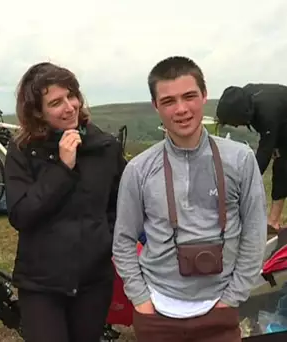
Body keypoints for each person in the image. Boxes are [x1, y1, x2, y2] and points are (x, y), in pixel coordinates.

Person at [112, 56, 267, 342]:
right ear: (156, 106)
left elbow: (255, 233)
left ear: (205, 97)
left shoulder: (240, 159)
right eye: (169, 101)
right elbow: (122, 240)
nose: (181, 109)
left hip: (220, 311)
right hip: (157, 315)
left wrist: (233, 297)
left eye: (189, 96)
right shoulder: (139, 169)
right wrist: (141, 300)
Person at [3, 62, 127, 342]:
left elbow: (118, 207)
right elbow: (21, 214)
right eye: (56, 102)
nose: (70, 107)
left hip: (93, 282)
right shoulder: (22, 151)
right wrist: (61, 168)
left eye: (72, 96)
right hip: (41, 284)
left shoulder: (105, 147)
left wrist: (103, 240)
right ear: (37, 112)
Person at [216, 83, 287, 231]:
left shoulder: (266, 110)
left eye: (233, 122)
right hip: (285, 122)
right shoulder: (246, 99)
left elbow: (265, 151)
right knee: (279, 165)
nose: (234, 126)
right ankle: (273, 221)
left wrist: (249, 178)